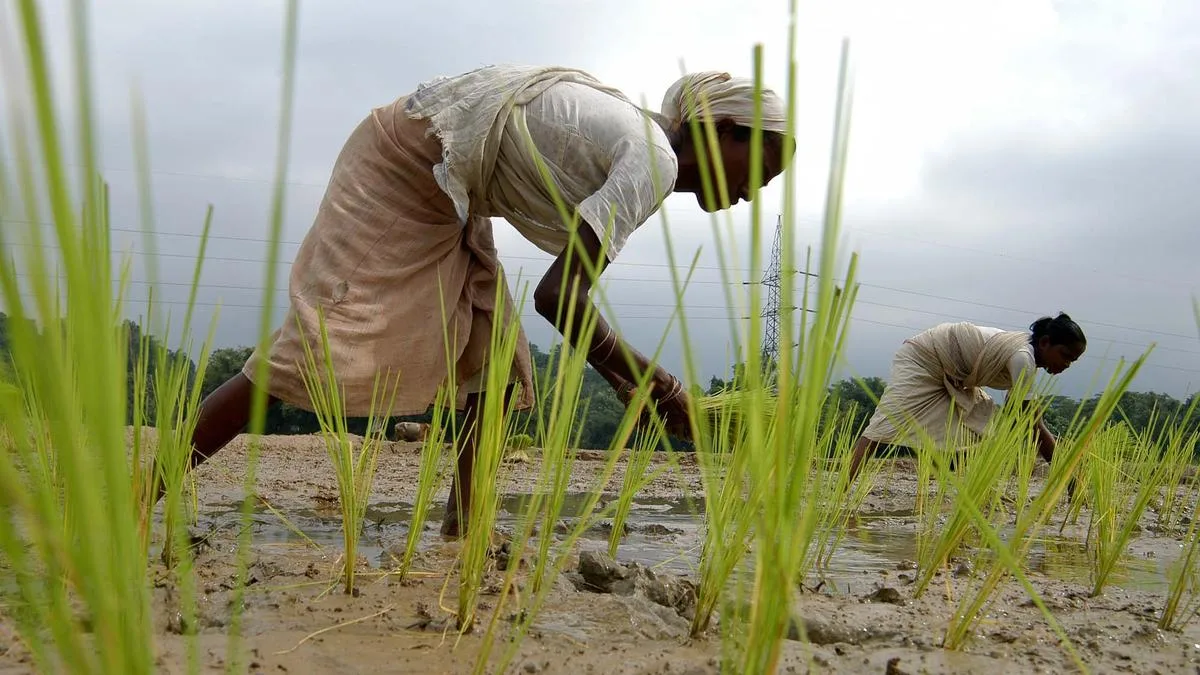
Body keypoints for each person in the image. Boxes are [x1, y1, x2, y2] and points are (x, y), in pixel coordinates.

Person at [170, 64, 793, 537]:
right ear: (723, 130)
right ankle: (143, 496)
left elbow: (561, 299)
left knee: (490, 353)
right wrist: (658, 385)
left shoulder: (640, 146)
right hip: (410, 162)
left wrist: (627, 380)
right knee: (312, 345)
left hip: (452, 178)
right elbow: (560, 297)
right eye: (758, 167)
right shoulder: (652, 159)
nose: (751, 191)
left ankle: (463, 529)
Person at [846, 313, 1087, 481]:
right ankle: (842, 490)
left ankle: (962, 487)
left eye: (1072, 362)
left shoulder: (1026, 361)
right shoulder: (1022, 357)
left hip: (955, 375)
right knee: (884, 426)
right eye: (1065, 356)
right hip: (924, 359)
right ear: (1045, 343)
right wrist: (1068, 477)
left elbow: (1024, 420)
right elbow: (1033, 424)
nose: (1066, 365)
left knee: (984, 426)